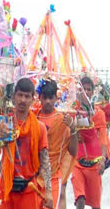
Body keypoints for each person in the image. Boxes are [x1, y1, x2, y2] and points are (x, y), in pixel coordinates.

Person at [0, 78, 53, 209]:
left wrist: (49, 191)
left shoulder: (40, 127)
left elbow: (45, 162)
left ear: (33, 99)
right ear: (14, 97)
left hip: (29, 188)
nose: (23, 100)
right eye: (20, 95)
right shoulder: (5, 123)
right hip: (7, 187)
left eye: (27, 96)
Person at [37, 79, 78, 209]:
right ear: (39, 98)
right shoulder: (33, 117)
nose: (47, 101)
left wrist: (72, 128)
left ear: (56, 98)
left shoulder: (62, 120)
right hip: (34, 176)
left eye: (51, 97)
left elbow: (73, 151)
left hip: (54, 176)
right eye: (44, 97)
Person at [71, 76, 108, 209]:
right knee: (80, 200)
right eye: (83, 89)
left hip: (94, 164)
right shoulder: (72, 112)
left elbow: (103, 138)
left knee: (95, 205)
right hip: (77, 163)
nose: (86, 92)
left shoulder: (99, 114)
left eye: (89, 89)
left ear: (93, 92)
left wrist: (103, 159)